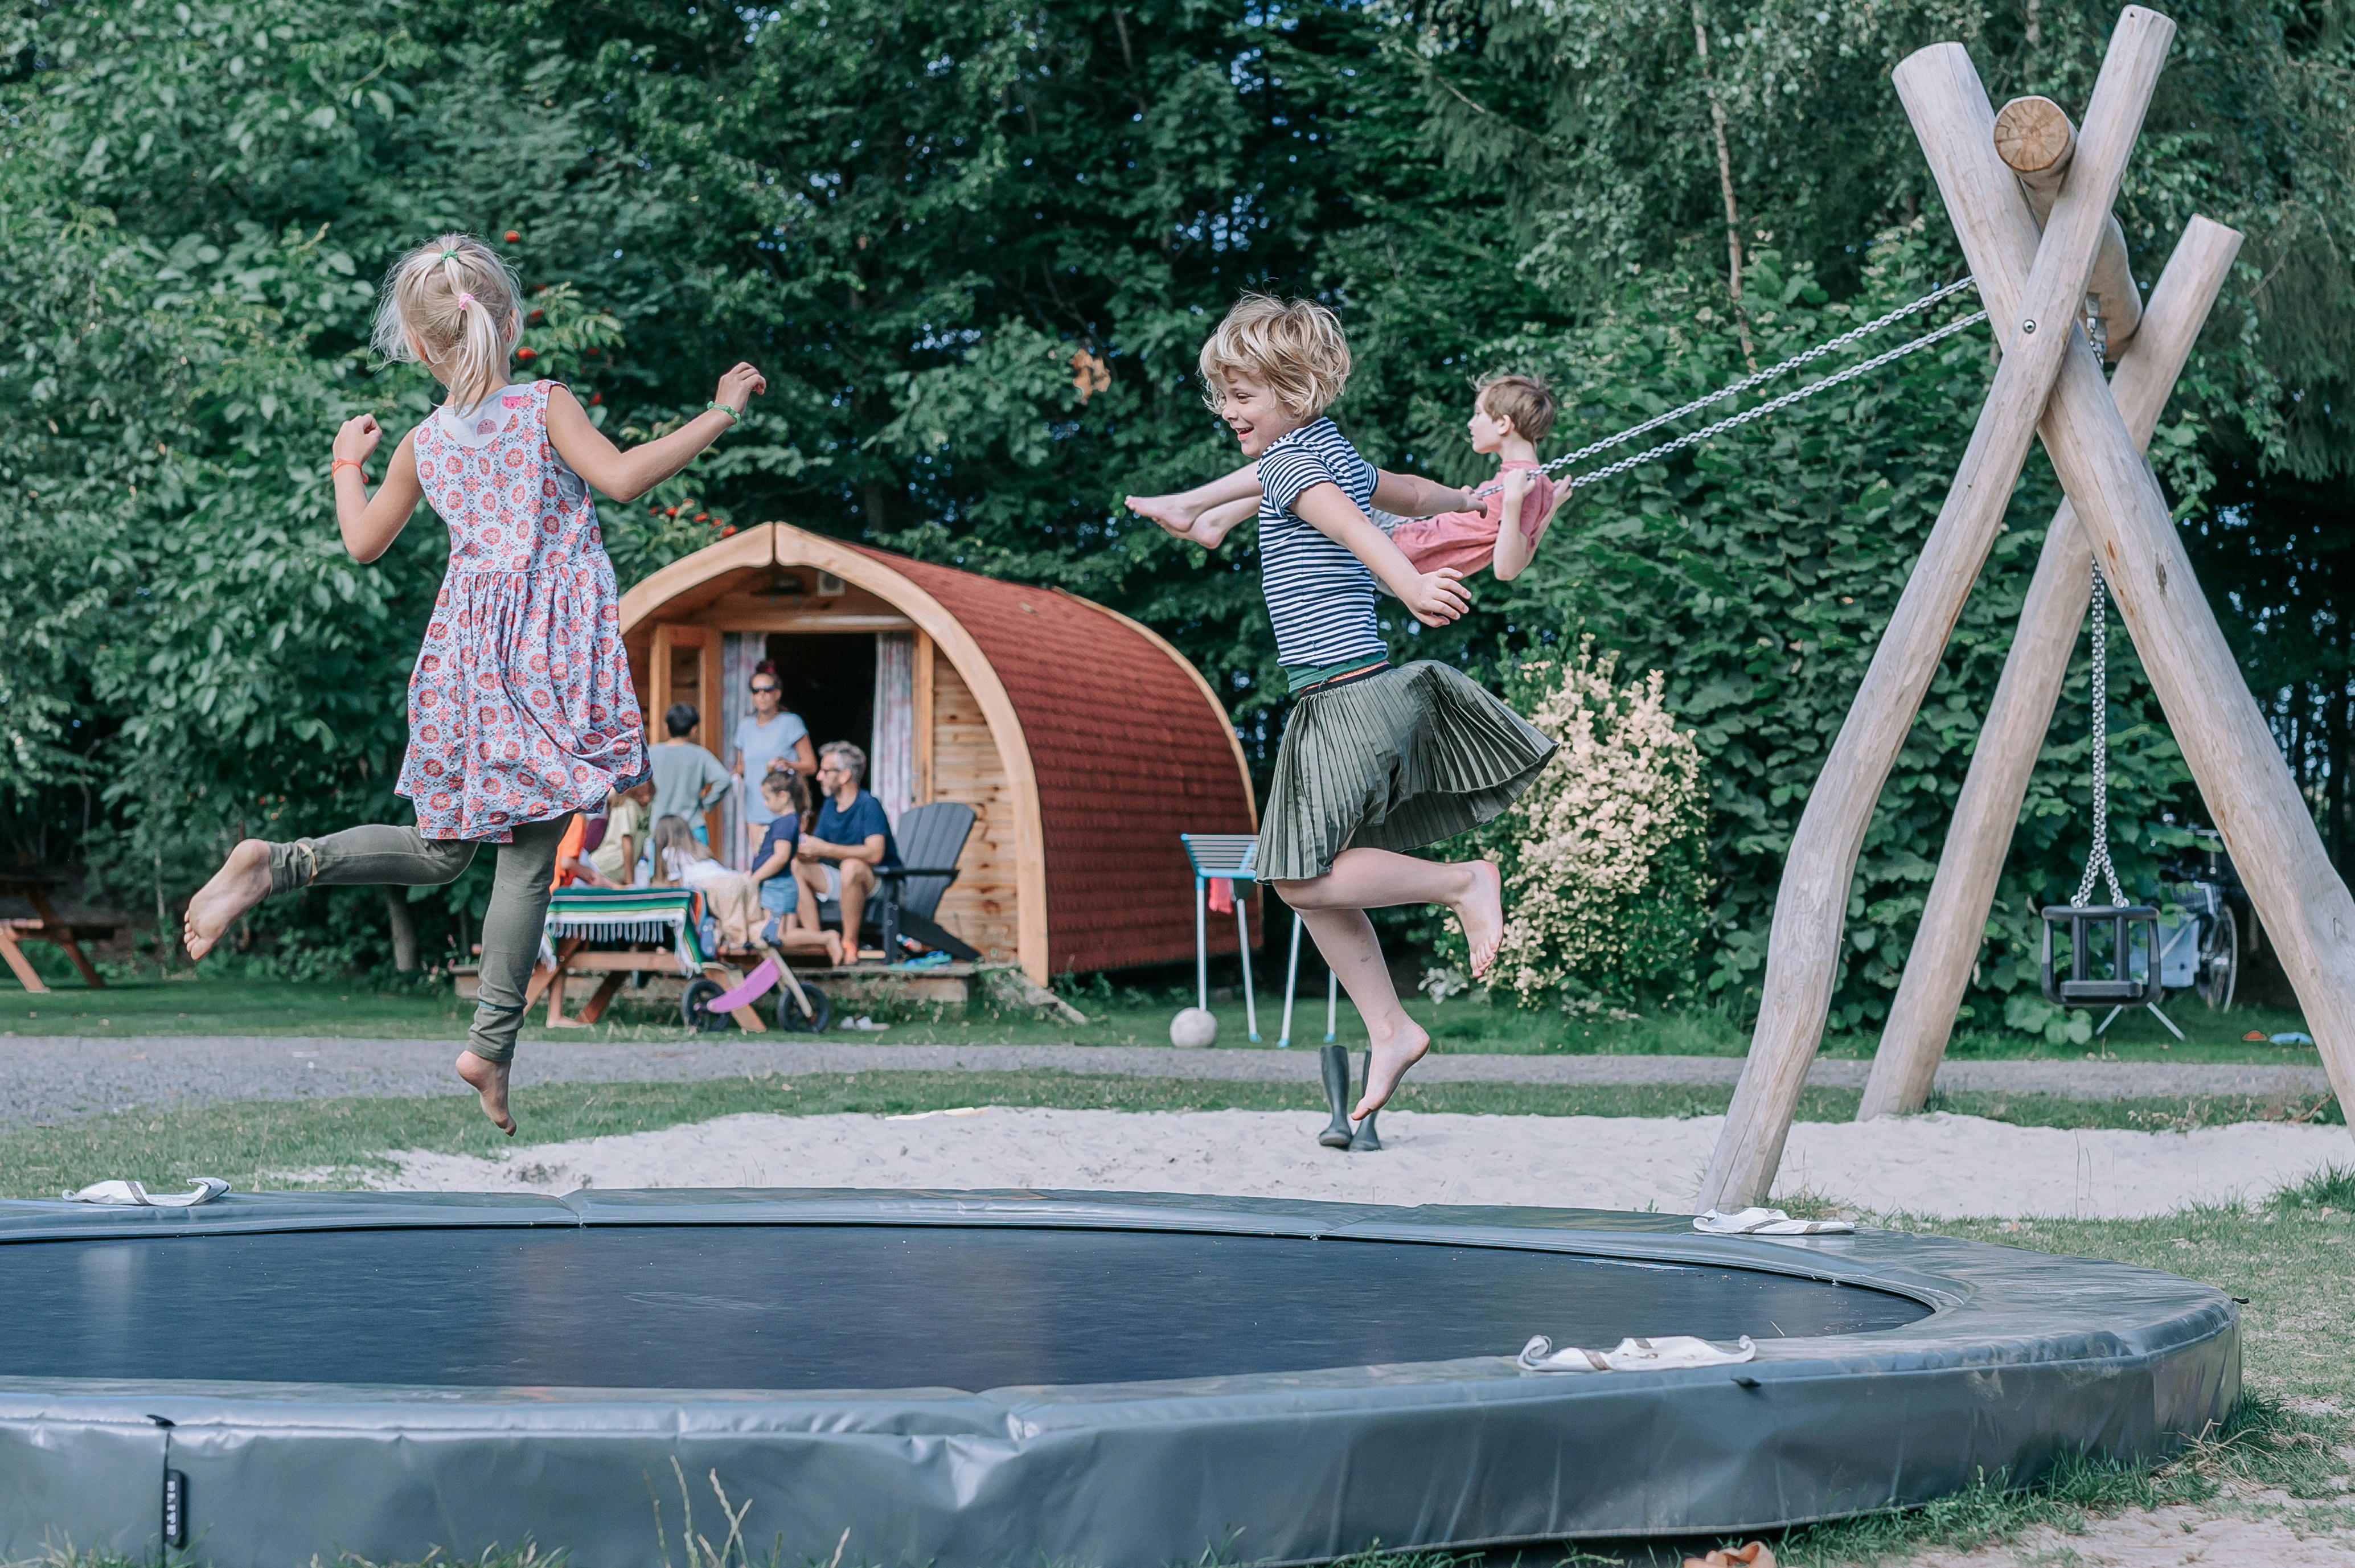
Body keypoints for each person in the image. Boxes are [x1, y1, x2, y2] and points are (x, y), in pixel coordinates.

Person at [178, 230, 766, 1135]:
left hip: (463, 658)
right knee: (528, 852)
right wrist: (720, 411)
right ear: (507, 319)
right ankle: (489, 1046)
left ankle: (283, 862)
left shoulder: (421, 442)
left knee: (447, 848)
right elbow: (620, 479)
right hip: (543, 651)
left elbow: (364, 542)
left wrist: (347, 463)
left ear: (419, 345)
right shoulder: (542, 404)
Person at [1185, 294, 1556, 1123]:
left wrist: (1411, 582)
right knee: (1313, 882)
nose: (1229, 411)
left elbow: (1358, 528)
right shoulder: (1326, 450)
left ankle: (1463, 881)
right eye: (1224, 395)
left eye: (1242, 394)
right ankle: (1389, 1028)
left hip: (1345, 693)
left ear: (1294, 388)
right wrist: (1469, 500)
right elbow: (1410, 494)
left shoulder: (1292, 463)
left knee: (1293, 874)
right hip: (1333, 696)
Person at [1125, 373, 1568, 581]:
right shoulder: (1529, 482)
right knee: (1308, 464)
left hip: (1397, 551)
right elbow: (1508, 544)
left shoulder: (1522, 485)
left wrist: (1513, 506)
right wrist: (1541, 514)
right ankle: (1213, 520)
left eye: (1479, 415)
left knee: (1308, 456)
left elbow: (1507, 568)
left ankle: (1194, 507)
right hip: (1401, 542)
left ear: (1504, 425)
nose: (1472, 423)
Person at [793, 741, 901, 964]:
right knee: (797, 867)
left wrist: (826, 849)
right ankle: (819, 943)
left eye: (826, 771)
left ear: (844, 776)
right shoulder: (830, 807)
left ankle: (849, 943)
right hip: (842, 880)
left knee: (851, 866)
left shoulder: (868, 805)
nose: (819, 776)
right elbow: (819, 849)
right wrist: (799, 849)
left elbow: (875, 854)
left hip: (880, 883)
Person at [747, 769, 843, 964]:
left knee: (777, 936)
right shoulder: (788, 822)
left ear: (783, 796)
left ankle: (827, 938)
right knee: (786, 932)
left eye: (767, 798)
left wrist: (756, 878)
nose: (765, 804)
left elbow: (781, 857)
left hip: (777, 887)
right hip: (782, 885)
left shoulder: (785, 823)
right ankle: (821, 944)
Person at [733, 662, 816, 861]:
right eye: (756, 690)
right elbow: (741, 767)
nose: (761, 695)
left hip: (785, 809)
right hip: (756, 810)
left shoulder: (791, 723)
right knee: (761, 862)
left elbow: (811, 765)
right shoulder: (745, 726)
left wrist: (789, 764)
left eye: (767, 690)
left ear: (777, 694)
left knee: (790, 864)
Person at [648, 814, 764, 951]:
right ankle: (759, 940)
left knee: (733, 926)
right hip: (740, 879)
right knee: (752, 918)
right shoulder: (699, 849)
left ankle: (737, 950)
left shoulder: (670, 852)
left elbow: (676, 885)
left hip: (720, 885)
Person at [649, 702, 731, 845]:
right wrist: (706, 803)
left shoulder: (652, 753)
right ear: (694, 729)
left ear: (666, 727)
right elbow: (724, 779)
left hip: (660, 827)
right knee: (697, 867)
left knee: (660, 868)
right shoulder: (700, 755)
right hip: (692, 825)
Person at [589, 779, 653, 885]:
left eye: (650, 792)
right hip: (605, 869)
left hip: (620, 874)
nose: (647, 798)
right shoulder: (628, 805)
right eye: (642, 794)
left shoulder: (646, 807)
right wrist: (630, 882)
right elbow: (626, 842)